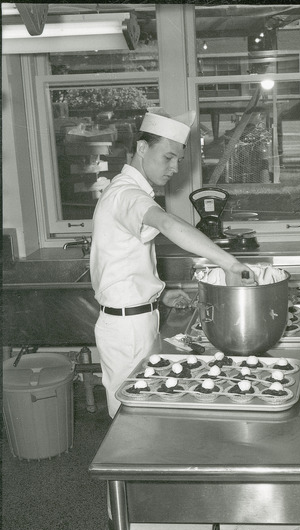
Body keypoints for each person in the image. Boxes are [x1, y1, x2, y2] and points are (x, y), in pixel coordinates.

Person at [90, 108, 255, 417]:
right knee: (131, 420)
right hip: (128, 330)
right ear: (142, 148)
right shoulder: (125, 195)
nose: (175, 167)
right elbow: (167, 224)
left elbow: (121, 263)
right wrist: (230, 265)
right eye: (168, 157)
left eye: (178, 159)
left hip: (138, 319)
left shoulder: (130, 193)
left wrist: (158, 294)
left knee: (148, 409)